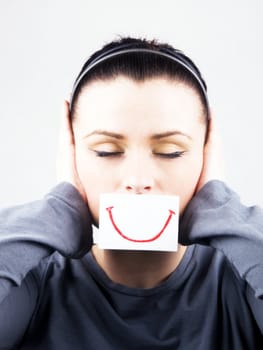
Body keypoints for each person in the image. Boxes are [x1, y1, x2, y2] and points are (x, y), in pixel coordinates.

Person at [0, 37, 262, 350]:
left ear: (207, 153)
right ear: (71, 154)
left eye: (171, 151)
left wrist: (221, 209)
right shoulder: (34, 283)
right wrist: (58, 209)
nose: (137, 180)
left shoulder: (242, 281)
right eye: (106, 150)